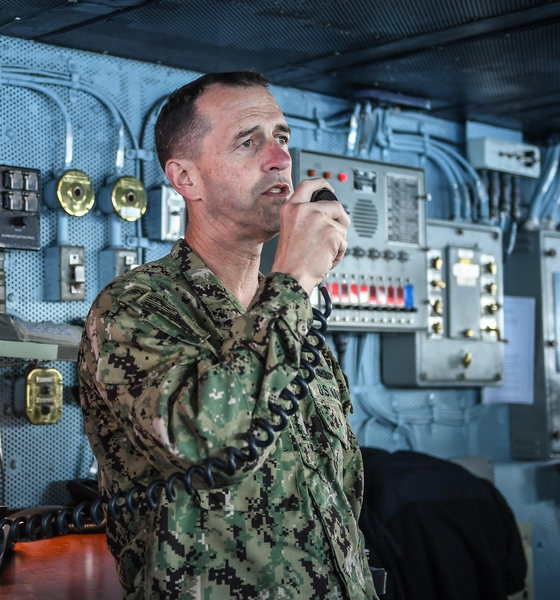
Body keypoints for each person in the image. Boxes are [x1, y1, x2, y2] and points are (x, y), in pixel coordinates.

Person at [77, 71, 378, 600]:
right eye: (248, 141)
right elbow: (211, 439)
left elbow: (340, 487)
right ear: (185, 179)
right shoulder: (136, 307)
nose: (280, 159)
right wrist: (294, 281)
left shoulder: (287, 312)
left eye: (281, 137)